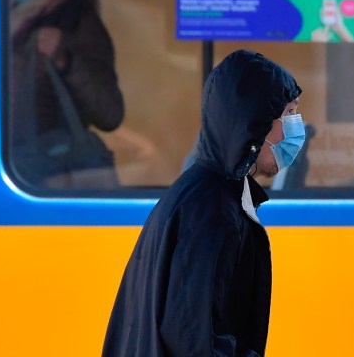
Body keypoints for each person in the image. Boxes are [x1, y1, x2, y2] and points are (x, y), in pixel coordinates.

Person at [102, 50, 303, 357]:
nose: (296, 129)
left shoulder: (201, 193)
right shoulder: (212, 211)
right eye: (288, 114)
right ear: (255, 122)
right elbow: (197, 339)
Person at [8, 0, 125, 188]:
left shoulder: (78, 23)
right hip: (23, 164)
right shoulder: (19, 16)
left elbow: (109, 113)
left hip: (49, 172)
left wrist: (65, 61)